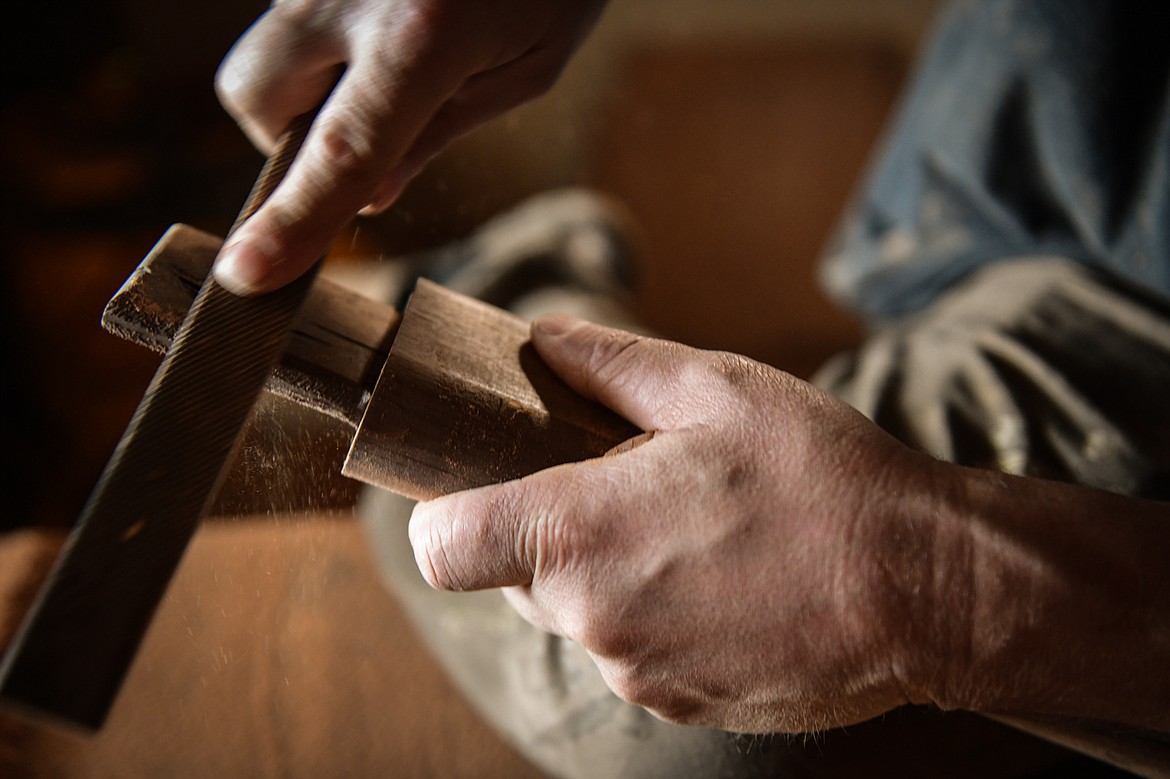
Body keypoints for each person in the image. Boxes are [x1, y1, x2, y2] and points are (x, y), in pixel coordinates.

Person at [214, 0, 1170, 775]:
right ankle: (503, 292)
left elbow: (907, 594)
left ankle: (507, 276)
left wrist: (921, 583)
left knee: (707, 709)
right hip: (1103, 265)